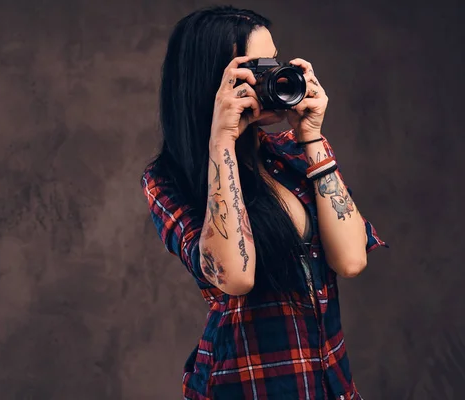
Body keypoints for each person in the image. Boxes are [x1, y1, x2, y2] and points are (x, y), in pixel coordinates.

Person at [141, 5, 387, 400]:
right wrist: (221, 140)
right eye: (257, 69)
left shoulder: (293, 152)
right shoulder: (167, 180)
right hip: (246, 385)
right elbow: (235, 276)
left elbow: (352, 259)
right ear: (213, 80)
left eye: (276, 62)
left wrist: (311, 136)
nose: (276, 76)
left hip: (329, 383)